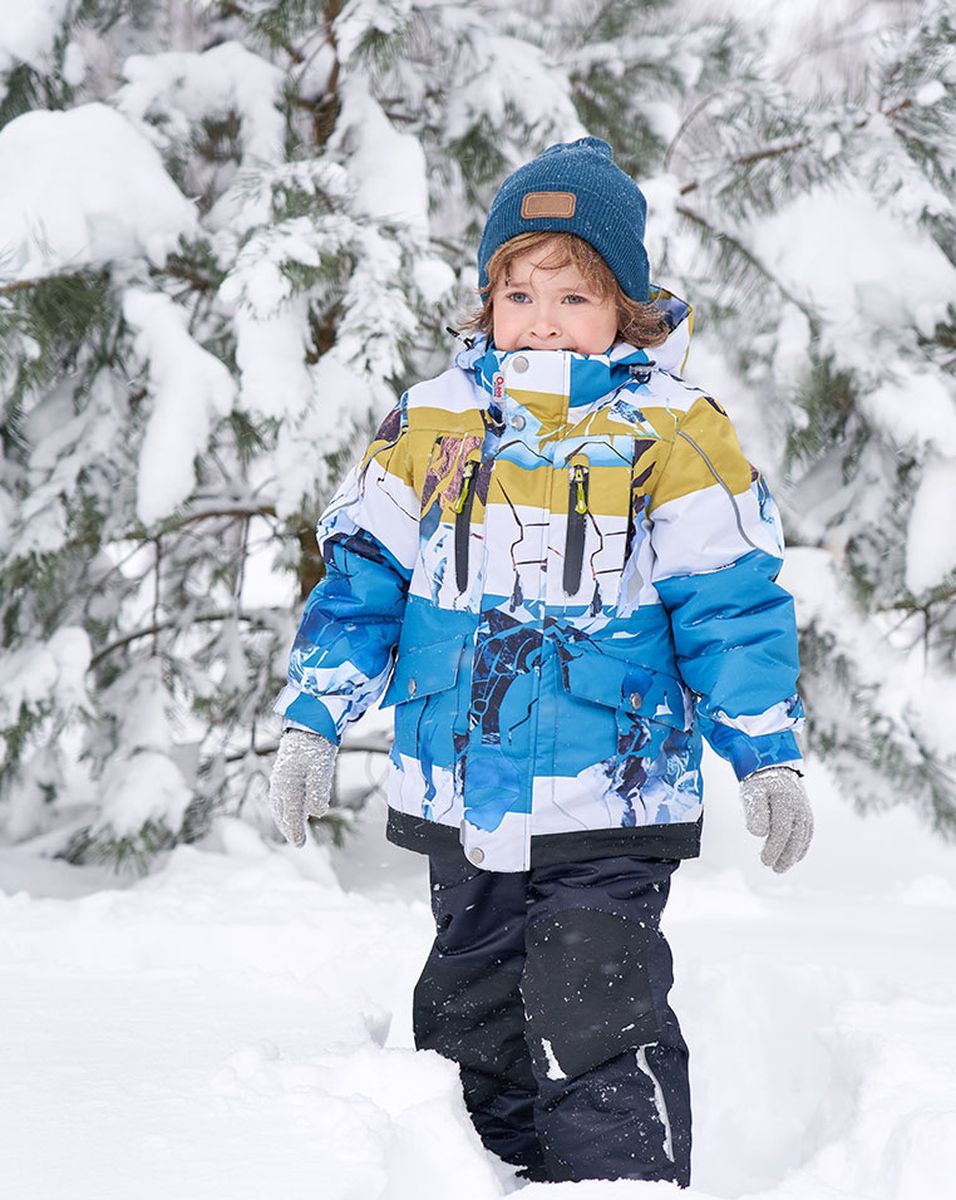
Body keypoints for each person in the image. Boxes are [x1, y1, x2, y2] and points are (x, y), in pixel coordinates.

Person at [267, 136, 812, 1186]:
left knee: (591, 1002)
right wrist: (313, 717)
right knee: (467, 1014)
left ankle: (618, 1184)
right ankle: (490, 1178)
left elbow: (729, 606)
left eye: (572, 295)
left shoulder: (672, 432)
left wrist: (763, 752)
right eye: (518, 292)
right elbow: (363, 582)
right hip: (462, 788)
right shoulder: (431, 424)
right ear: (486, 300)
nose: (541, 319)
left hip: (612, 792)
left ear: (627, 307)